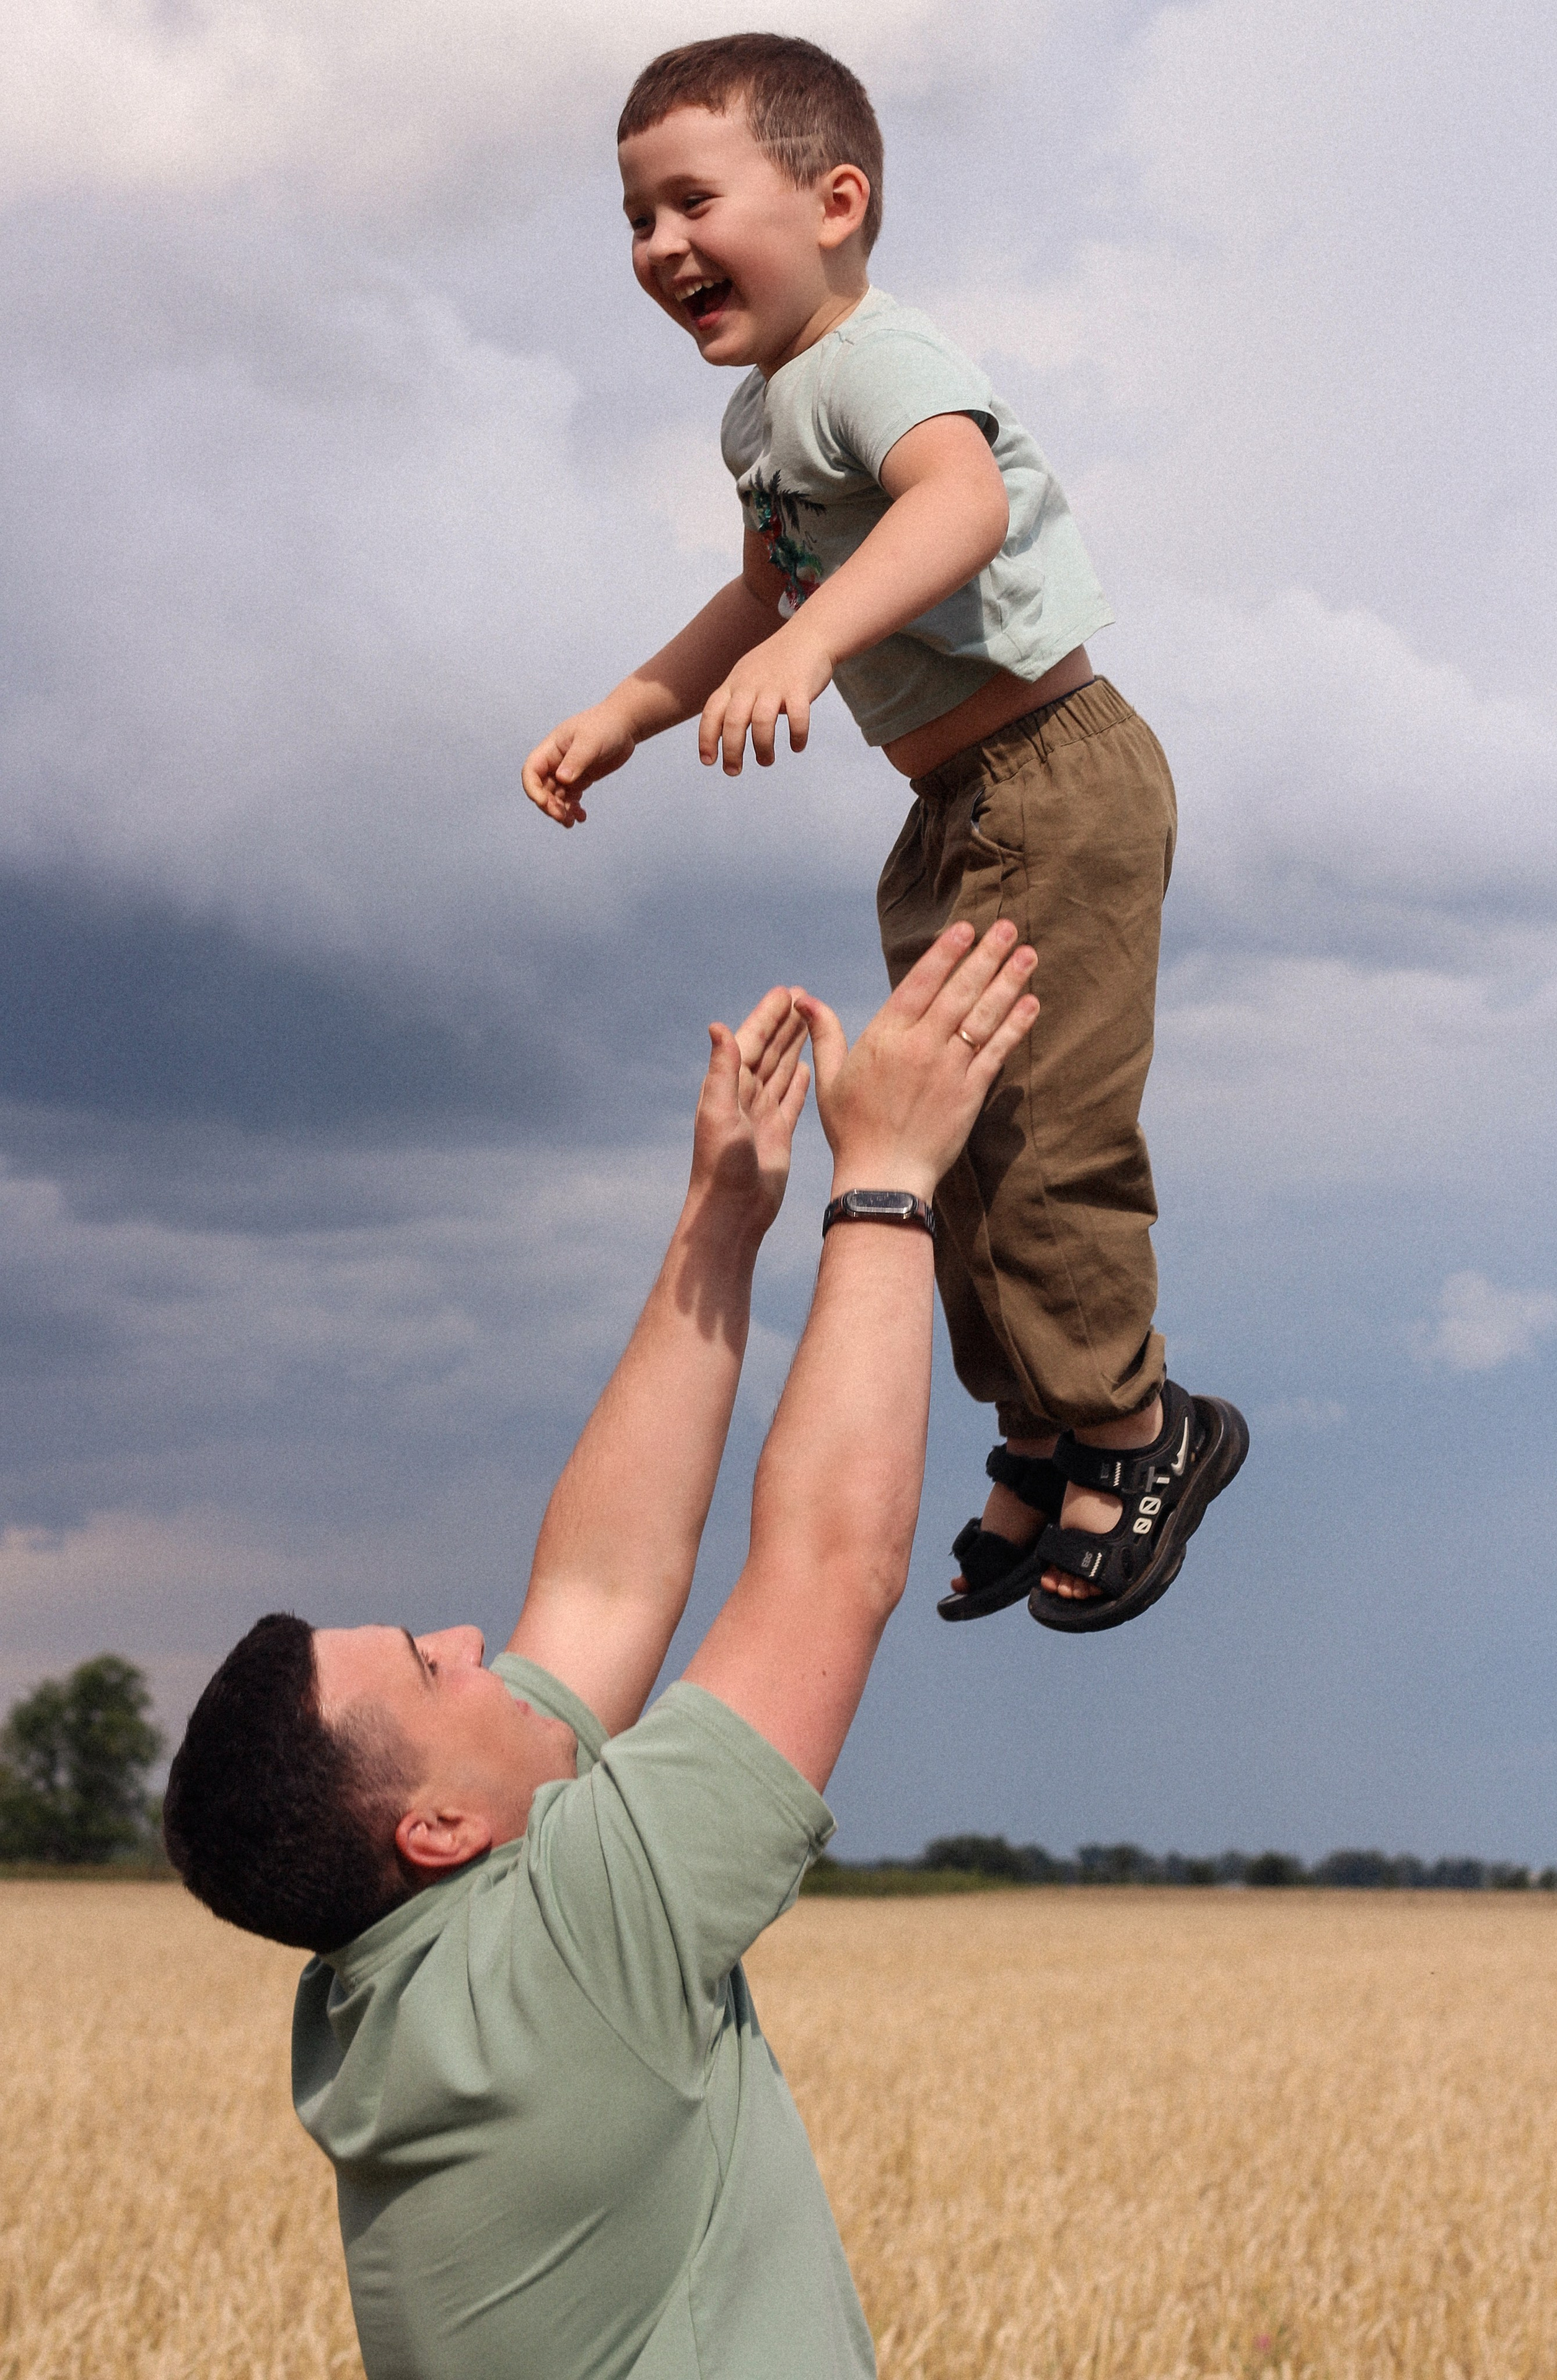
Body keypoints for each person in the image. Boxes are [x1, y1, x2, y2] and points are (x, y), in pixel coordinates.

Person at [162, 921, 1042, 2380]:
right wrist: (885, 1180)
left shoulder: (390, 1986)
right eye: (432, 1669)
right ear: (436, 1827)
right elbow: (830, 1571)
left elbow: (605, 1577)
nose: (468, 1638)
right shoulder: (555, 1974)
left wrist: (721, 1215)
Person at [522, 34, 1247, 1634]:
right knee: (943, 1142)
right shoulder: (764, 423)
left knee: (1045, 1136)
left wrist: (807, 646)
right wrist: (635, 709)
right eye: (637, 219)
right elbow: (761, 590)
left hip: (1056, 783)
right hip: (959, 815)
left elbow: (958, 504)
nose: (660, 248)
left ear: (836, 201)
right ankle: (1044, 1426)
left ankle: (1141, 1428)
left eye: (694, 201)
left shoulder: (875, 360)